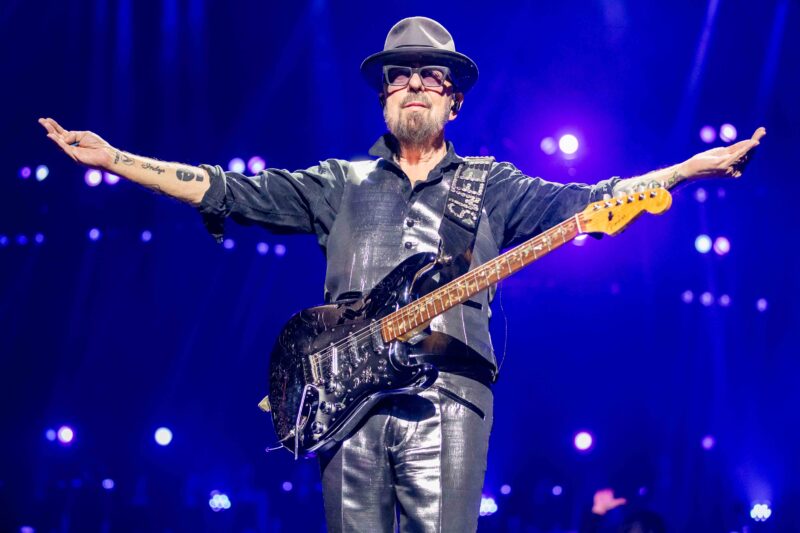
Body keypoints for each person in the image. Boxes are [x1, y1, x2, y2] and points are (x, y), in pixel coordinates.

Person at [39, 16, 764, 533]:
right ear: (384, 96)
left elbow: (593, 200)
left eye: (430, 76)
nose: (414, 84)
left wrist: (687, 169)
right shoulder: (338, 181)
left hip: (449, 392)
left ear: (453, 100)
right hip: (342, 395)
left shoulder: (492, 185)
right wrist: (116, 160)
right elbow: (229, 190)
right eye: (400, 76)